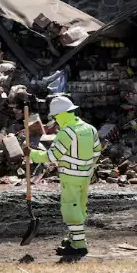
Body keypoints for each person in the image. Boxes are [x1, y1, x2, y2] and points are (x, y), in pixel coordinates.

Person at [24, 96, 101, 257]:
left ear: (62, 115)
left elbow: (51, 157)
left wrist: (32, 154)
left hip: (71, 177)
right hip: (85, 176)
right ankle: (74, 238)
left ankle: (79, 245)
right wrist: (87, 169)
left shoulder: (66, 133)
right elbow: (97, 152)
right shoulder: (90, 129)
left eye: (56, 117)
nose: (56, 120)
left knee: (70, 210)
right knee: (80, 207)